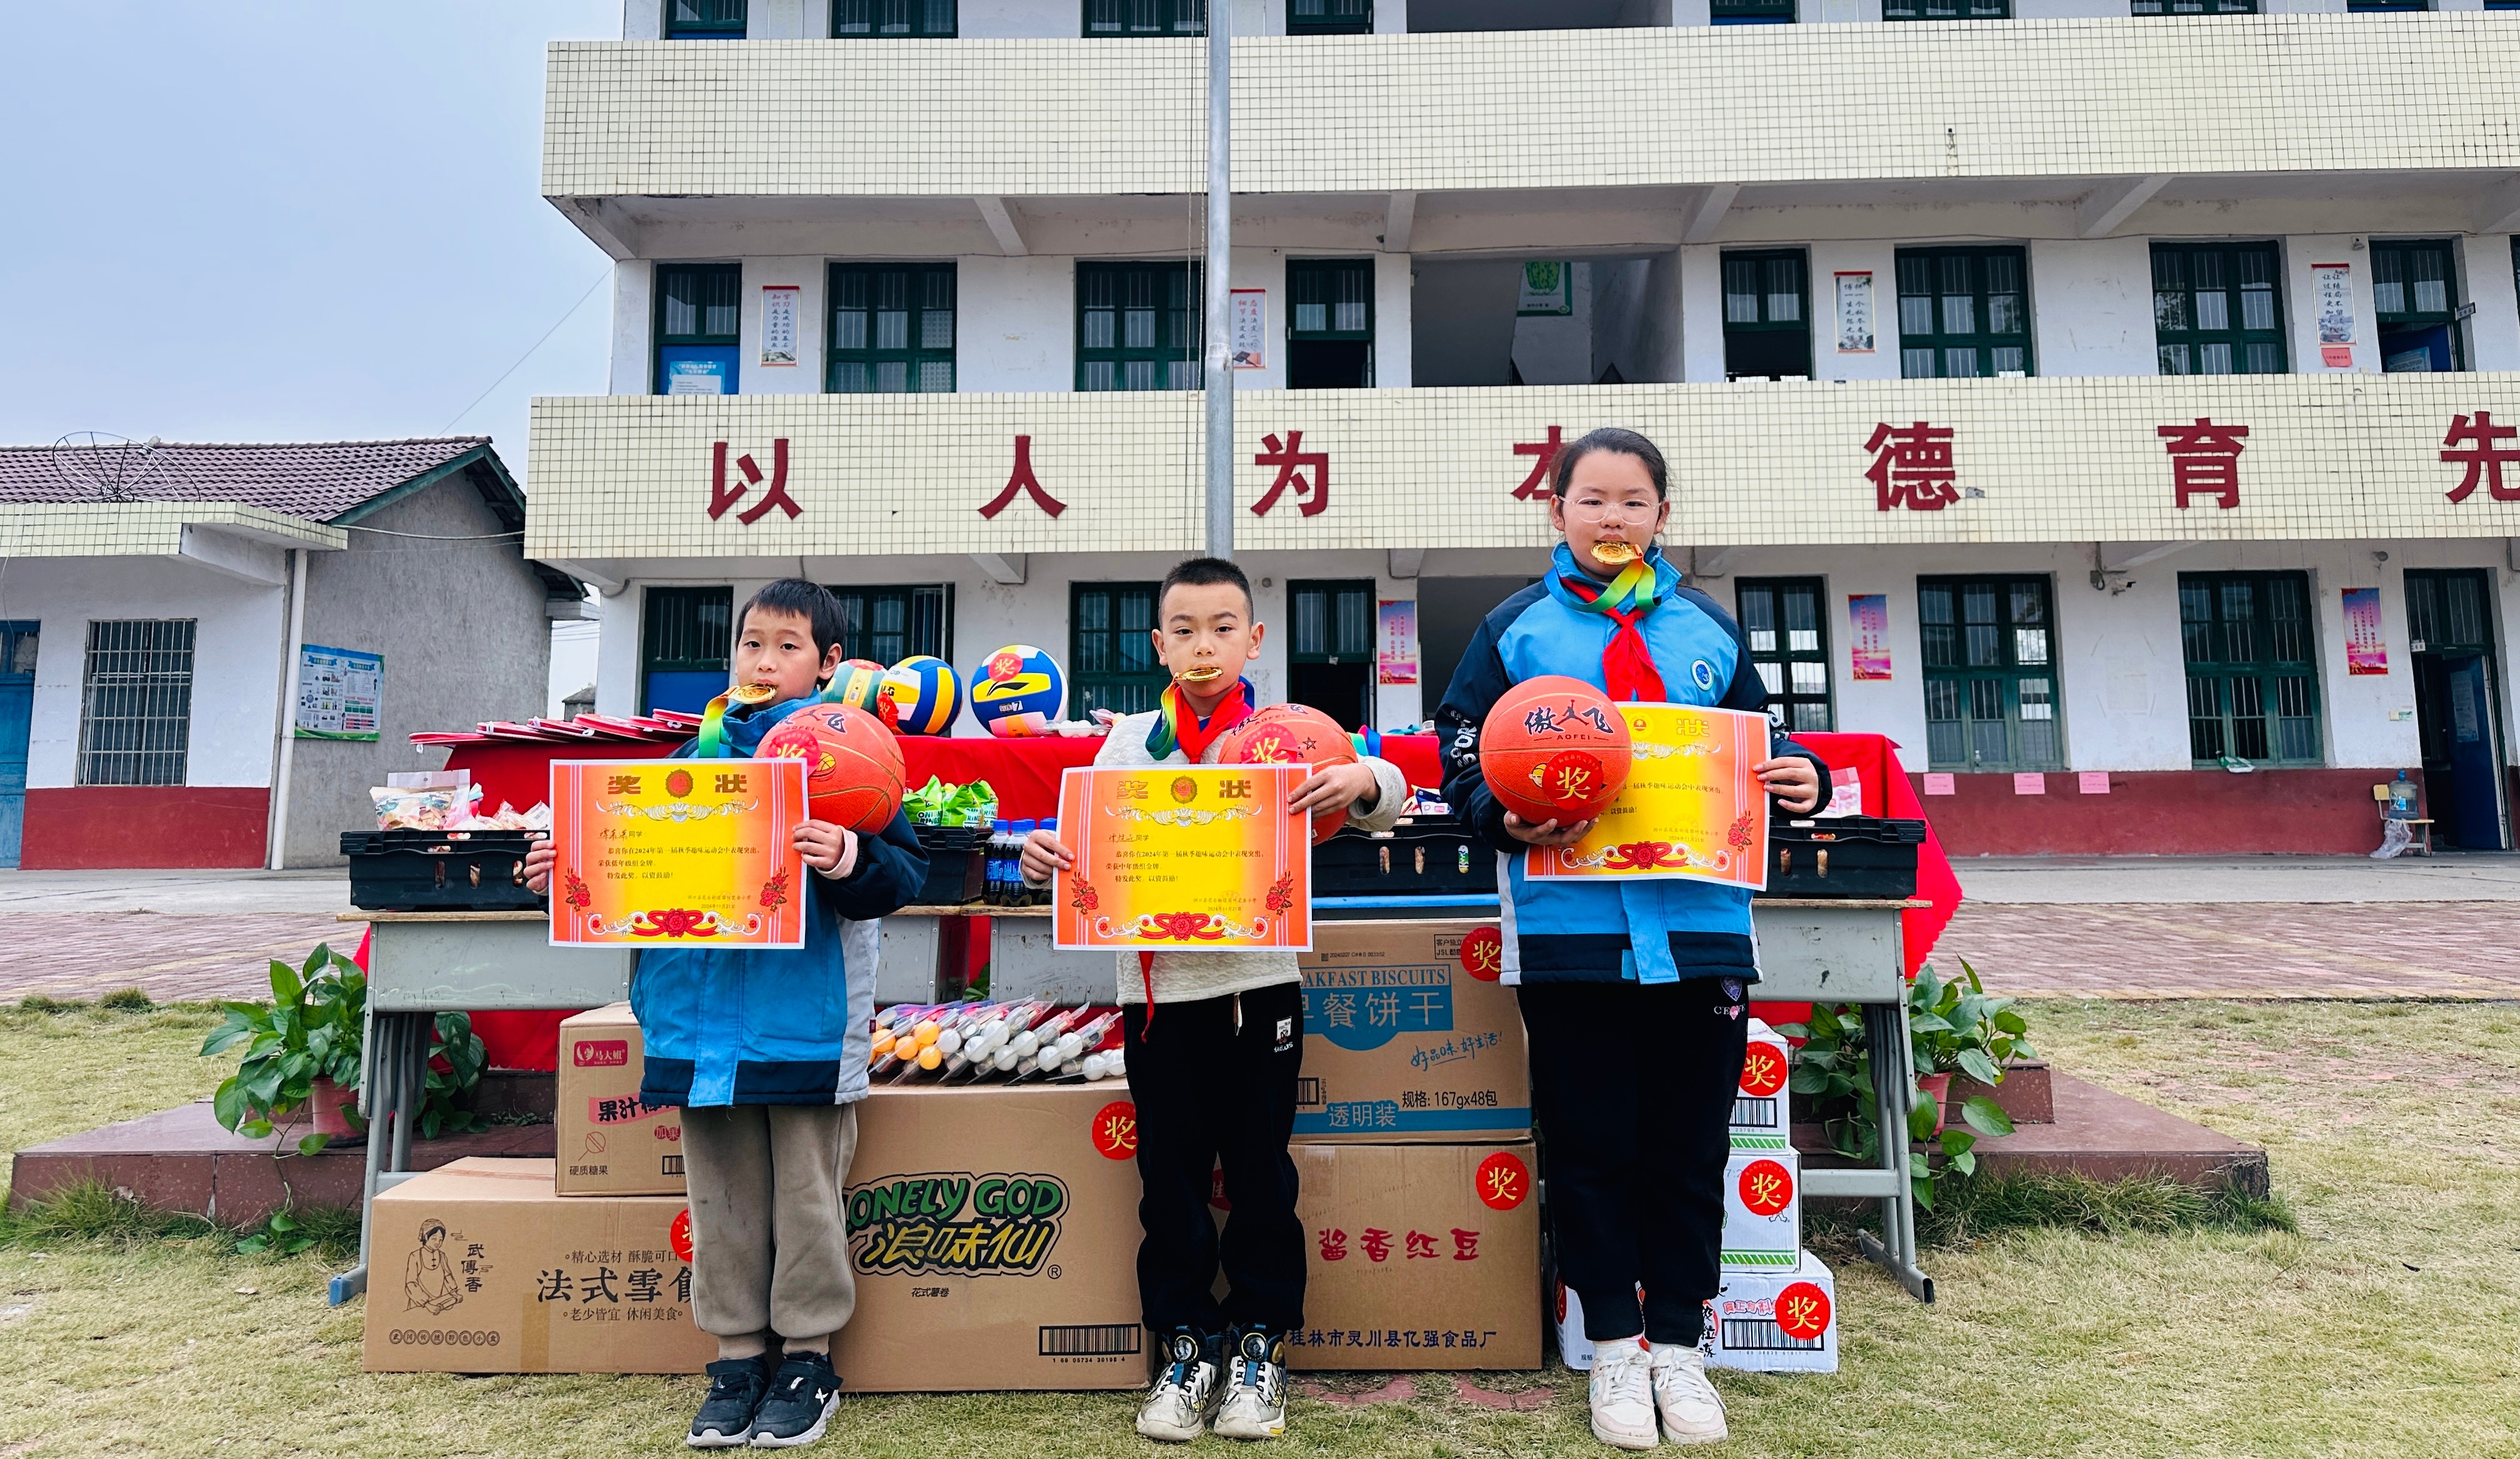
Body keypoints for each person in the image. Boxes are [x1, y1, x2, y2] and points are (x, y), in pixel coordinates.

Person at [1433, 428, 1824, 1450]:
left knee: (1688, 1152)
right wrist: (1498, 816)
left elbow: (1761, 749)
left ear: (1663, 517)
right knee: (1593, 1146)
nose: (1614, 518)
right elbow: (1459, 750)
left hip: (1700, 933)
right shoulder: (1514, 631)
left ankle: (1681, 1348)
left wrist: (1805, 781)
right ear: (1554, 512)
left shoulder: (1708, 629)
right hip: (1571, 935)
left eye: (1635, 502)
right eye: (1593, 499)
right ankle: (1613, 1346)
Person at [524, 579, 926, 1450]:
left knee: (809, 1196)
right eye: (752, 644)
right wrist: (570, 863)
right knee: (721, 1197)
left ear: (827, 666)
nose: (765, 661)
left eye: (788, 647)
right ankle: (739, 1355)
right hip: (695, 1026)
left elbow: (905, 875)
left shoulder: (856, 757)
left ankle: (809, 1357)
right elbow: (621, 872)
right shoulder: (684, 765)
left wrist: (852, 853)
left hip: (805, 1027)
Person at [1018, 557, 1408, 1445]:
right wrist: (1049, 860)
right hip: (1156, 1002)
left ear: (1255, 640)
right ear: (1158, 644)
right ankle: (1187, 1344)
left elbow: (1392, 799)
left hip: (1260, 990)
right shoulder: (1123, 749)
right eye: (1184, 631)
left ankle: (1262, 1344)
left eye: (1223, 628)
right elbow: (1087, 862)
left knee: (1263, 1175)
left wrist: (1364, 780)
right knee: (1173, 1180)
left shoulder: (1288, 738)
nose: (1203, 647)